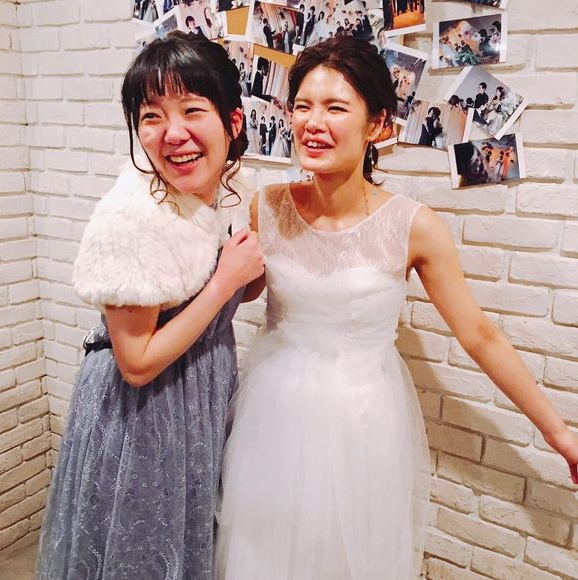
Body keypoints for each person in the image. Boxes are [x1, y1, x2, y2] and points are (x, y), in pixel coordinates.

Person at [215, 36, 578, 579]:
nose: (313, 123)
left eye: (336, 108)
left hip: (361, 422)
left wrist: (559, 434)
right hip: (270, 413)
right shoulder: (266, 205)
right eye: (303, 106)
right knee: (261, 552)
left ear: (378, 125)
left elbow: (479, 335)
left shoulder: (413, 225)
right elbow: (239, 294)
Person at [36, 32, 264, 580]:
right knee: (140, 552)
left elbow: (244, 286)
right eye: (151, 116)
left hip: (200, 394)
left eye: (192, 109)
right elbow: (136, 363)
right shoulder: (131, 217)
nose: (173, 133)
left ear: (232, 122)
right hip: (140, 413)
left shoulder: (230, 190)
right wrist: (224, 282)